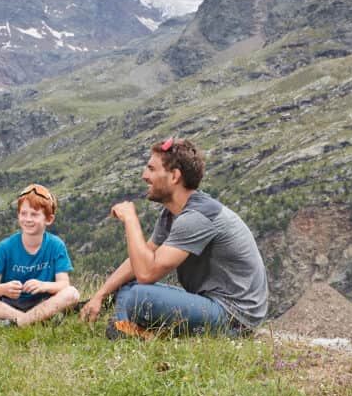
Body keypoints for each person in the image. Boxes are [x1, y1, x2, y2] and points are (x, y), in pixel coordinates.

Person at [79, 138, 269, 338]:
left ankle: (128, 333)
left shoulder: (197, 217)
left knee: (136, 296)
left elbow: (146, 273)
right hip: (210, 304)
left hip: (234, 318)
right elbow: (141, 260)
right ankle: (131, 331)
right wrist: (99, 296)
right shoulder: (172, 213)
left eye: (152, 169)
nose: (144, 176)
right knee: (126, 288)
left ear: (175, 176)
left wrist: (131, 219)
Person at [0, 183, 79, 327]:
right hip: (9, 305)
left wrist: (44, 286)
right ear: (18, 215)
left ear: (49, 219)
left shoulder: (56, 245)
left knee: (72, 293)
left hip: (42, 301)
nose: (28, 219)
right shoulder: (6, 246)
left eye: (34, 214)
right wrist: (4, 289)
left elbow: (63, 284)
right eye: (23, 213)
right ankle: (32, 321)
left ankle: (11, 323)